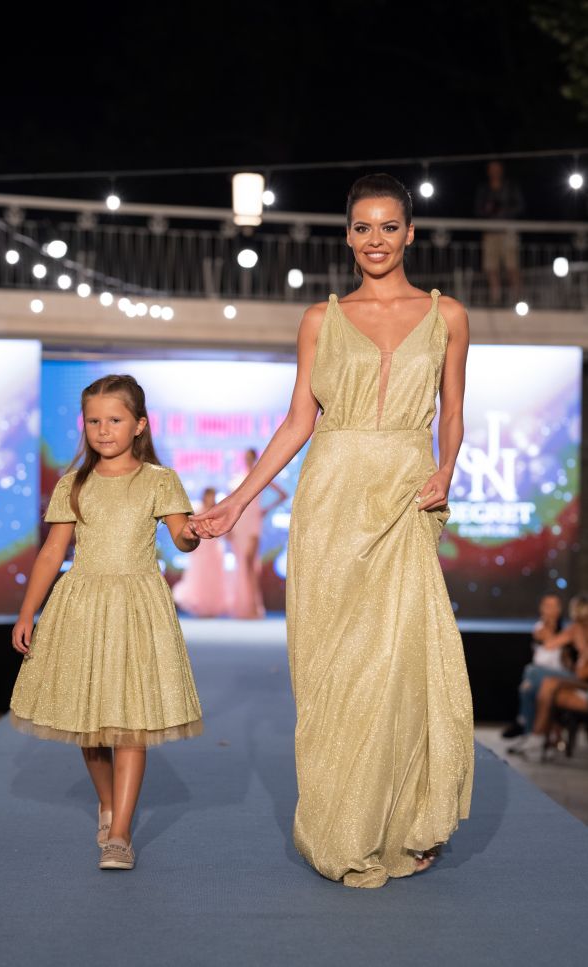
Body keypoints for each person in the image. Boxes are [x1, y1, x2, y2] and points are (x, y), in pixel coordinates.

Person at [190, 174, 474, 888]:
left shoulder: (447, 315)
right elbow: (298, 421)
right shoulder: (320, 319)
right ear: (347, 236)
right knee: (333, 668)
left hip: (405, 494)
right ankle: (341, 826)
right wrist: (237, 500)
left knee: (402, 662)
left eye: (388, 226)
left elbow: (452, 410)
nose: (375, 239)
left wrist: (446, 466)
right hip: (331, 497)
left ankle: (402, 821)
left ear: (410, 233)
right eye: (362, 227)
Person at [10, 374, 202, 871]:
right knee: (89, 723)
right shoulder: (73, 484)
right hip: (82, 607)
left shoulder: (160, 480)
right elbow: (52, 552)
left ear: (139, 424)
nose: (103, 430)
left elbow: (182, 537)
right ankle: (108, 803)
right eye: (94, 421)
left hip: (137, 607)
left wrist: (193, 534)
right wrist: (28, 611)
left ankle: (119, 835)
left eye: (114, 420)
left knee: (130, 723)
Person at [512, 593, 588, 759]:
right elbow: (549, 644)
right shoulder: (573, 629)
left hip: (579, 680)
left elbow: (582, 670)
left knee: (533, 676)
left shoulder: (575, 629)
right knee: (540, 684)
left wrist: (582, 655)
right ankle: (537, 737)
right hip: (574, 678)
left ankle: (530, 730)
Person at [503, 592, 574, 742]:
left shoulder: (569, 629)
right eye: (547, 606)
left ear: (560, 608)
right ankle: (531, 732)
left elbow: (552, 644)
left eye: (554, 606)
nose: (551, 609)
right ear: (541, 608)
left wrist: (564, 636)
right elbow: (548, 641)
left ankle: (524, 724)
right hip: (542, 676)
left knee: (530, 673)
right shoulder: (539, 628)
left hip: (560, 674)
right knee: (528, 688)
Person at [227, 447, 287, 619]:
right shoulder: (238, 478)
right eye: (246, 457)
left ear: (255, 459)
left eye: (250, 457)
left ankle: (253, 607)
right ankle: (242, 607)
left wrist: (266, 509)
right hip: (239, 525)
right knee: (242, 564)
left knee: (249, 563)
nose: (248, 460)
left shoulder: (260, 476)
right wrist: (229, 527)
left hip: (253, 522)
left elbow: (282, 494)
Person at [173, 487, 230, 617]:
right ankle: (200, 607)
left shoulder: (217, 511)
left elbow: (224, 530)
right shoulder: (197, 510)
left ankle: (212, 607)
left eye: (213, 496)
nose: (211, 499)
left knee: (213, 578)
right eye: (209, 496)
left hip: (214, 549)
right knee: (199, 576)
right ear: (204, 496)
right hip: (200, 548)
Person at [474, 160, 524, 305]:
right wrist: (488, 209)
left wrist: (504, 209)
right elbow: (478, 210)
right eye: (492, 169)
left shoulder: (511, 187)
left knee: (512, 267)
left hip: (508, 231)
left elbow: (520, 206)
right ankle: (495, 300)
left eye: (497, 168)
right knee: (491, 268)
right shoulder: (484, 189)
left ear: (502, 170)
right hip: (490, 232)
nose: (494, 172)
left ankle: (517, 299)